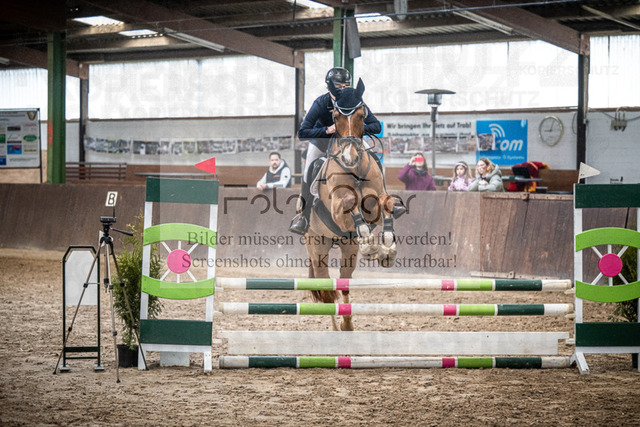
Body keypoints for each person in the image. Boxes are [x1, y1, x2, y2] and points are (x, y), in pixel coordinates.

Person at [289, 67, 382, 235]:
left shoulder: (355, 100)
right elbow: (302, 133)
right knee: (309, 169)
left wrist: (355, 128)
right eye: (338, 87)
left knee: (373, 157)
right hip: (322, 143)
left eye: (345, 86)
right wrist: (327, 130)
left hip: (349, 141)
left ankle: (383, 196)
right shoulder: (321, 103)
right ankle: (304, 217)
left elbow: (376, 126)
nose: (342, 90)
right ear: (330, 87)